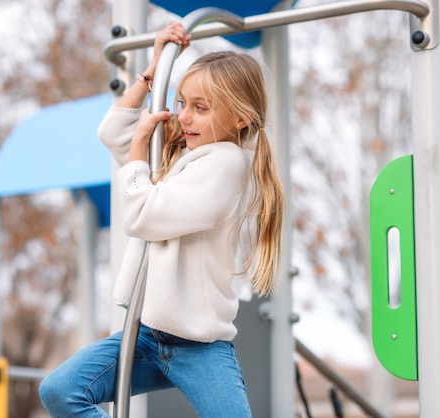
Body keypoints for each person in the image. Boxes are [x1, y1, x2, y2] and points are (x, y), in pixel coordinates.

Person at [39, 21, 284, 418]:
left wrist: (139, 149)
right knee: (61, 389)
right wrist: (154, 71)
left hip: (199, 347)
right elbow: (114, 132)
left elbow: (144, 216)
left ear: (240, 119)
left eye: (200, 108)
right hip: (148, 336)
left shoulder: (226, 165)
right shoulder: (187, 156)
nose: (183, 117)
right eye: (182, 102)